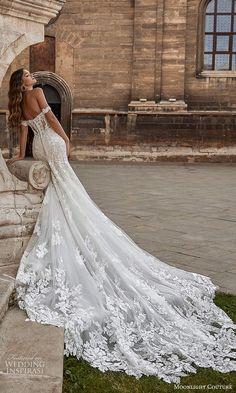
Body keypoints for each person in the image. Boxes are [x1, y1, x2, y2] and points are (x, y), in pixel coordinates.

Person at [6, 68, 236, 384]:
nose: (34, 77)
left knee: (60, 193)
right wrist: (65, 138)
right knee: (70, 189)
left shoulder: (19, 102)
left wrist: (19, 156)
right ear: (25, 83)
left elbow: (24, 133)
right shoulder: (39, 94)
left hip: (37, 149)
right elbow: (52, 122)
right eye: (29, 75)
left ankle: (72, 227)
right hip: (53, 144)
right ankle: (82, 228)